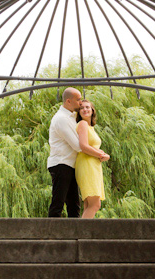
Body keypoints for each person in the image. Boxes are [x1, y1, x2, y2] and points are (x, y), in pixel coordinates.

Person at [47, 87, 84, 217]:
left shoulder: (72, 117)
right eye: (78, 99)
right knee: (58, 203)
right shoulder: (61, 119)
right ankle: (51, 235)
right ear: (68, 101)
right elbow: (78, 146)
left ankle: (75, 236)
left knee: (74, 205)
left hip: (70, 165)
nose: (81, 102)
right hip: (61, 164)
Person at [75, 99, 109, 218]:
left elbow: (92, 147)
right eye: (81, 108)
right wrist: (101, 155)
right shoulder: (83, 124)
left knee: (89, 205)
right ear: (78, 112)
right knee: (95, 204)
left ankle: (83, 235)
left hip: (93, 165)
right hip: (87, 164)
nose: (84, 109)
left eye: (87, 107)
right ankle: (81, 234)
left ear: (92, 110)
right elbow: (84, 146)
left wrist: (102, 154)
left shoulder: (90, 127)